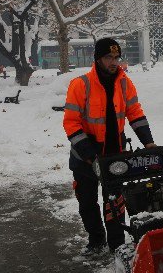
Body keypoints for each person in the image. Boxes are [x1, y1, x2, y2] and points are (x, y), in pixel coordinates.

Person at [63, 38, 156, 255]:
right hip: (85, 157)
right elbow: (71, 122)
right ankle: (96, 241)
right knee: (87, 203)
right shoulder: (81, 84)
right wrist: (89, 155)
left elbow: (135, 113)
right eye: (108, 57)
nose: (114, 62)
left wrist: (148, 141)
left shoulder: (125, 83)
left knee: (114, 203)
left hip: (115, 156)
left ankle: (116, 246)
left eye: (116, 57)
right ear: (98, 58)